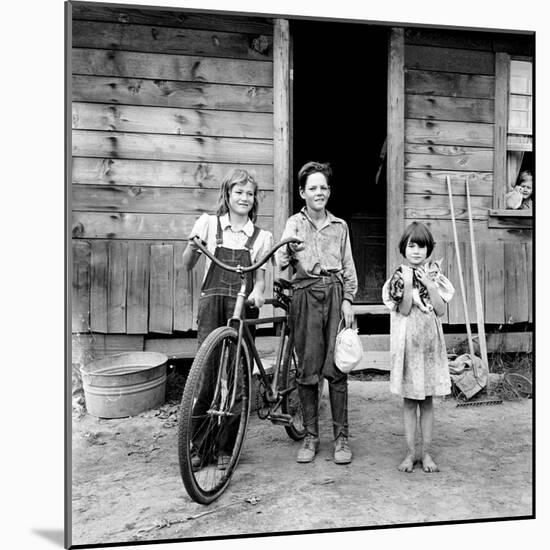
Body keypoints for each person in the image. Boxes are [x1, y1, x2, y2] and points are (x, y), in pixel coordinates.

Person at [182, 168, 273, 469]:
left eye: (250, 193)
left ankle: (225, 448)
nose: (244, 198)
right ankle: (199, 446)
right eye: (239, 192)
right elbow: (187, 263)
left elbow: (260, 279)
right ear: (227, 194)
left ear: (254, 199)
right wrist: (192, 247)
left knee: (237, 376)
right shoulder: (209, 225)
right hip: (212, 305)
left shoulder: (260, 236)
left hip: (242, 307)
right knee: (206, 374)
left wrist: (258, 293)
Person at [276, 161, 358, 465]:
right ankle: (310, 436)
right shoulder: (293, 224)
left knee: (337, 368)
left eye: (323, 187)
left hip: (335, 294)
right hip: (305, 296)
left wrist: (348, 299)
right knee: (308, 369)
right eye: (313, 188)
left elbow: (348, 266)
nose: (319, 192)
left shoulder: (340, 226)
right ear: (302, 192)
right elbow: (282, 261)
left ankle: (341, 438)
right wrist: (288, 249)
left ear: (329, 191)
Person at [382, 222, 454, 473]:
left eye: (421, 246)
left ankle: (426, 453)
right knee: (411, 402)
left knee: (427, 402)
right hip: (408, 345)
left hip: (430, 345)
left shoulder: (434, 275)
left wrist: (430, 284)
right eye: (411, 246)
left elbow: (441, 310)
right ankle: (410, 452)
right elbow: (403, 308)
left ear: (428, 250)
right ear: (404, 248)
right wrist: (412, 284)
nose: (416, 251)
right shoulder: (399, 277)